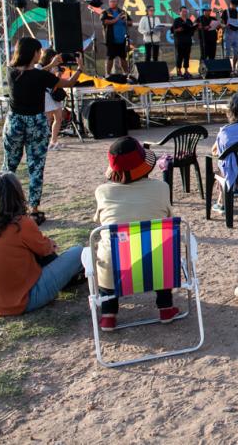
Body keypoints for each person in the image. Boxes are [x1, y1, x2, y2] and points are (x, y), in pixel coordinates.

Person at [0, 172, 83, 316]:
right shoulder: (20, 224)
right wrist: (49, 243)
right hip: (19, 302)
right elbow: (46, 249)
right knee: (79, 252)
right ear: (17, 194)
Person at [92, 137, 178, 331]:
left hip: (116, 269)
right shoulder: (161, 188)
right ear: (144, 166)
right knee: (159, 247)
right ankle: (166, 307)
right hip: (157, 266)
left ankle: (108, 315)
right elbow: (169, 216)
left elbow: (99, 221)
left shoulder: (103, 192)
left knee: (108, 252)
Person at [3, 38, 82, 224]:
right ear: (35, 53)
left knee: (9, 166)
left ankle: (4, 205)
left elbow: (30, 75)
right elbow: (68, 83)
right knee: (36, 166)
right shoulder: (41, 77)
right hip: (36, 123)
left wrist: (50, 65)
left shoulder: (11, 71)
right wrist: (79, 68)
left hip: (14, 122)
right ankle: (34, 208)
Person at [36, 49, 66, 152]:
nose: (55, 59)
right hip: (45, 95)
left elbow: (55, 80)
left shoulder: (54, 66)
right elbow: (37, 74)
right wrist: (51, 66)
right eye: (54, 57)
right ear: (49, 57)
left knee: (59, 118)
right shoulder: (39, 66)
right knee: (48, 119)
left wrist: (59, 73)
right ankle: (44, 142)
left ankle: (54, 141)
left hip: (54, 94)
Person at [100, 0, 130, 76]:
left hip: (122, 39)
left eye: (113, 1)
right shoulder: (106, 12)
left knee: (123, 57)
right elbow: (105, 22)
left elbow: (130, 23)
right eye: (110, 1)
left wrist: (125, 21)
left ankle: (126, 74)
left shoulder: (123, 12)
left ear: (117, 2)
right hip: (111, 39)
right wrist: (116, 19)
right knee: (110, 57)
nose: (112, 3)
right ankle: (108, 74)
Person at [171, 6, 196, 78]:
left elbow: (192, 31)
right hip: (179, 41)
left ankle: (186, 70)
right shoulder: (177, 20)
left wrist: (193, 29)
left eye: (186, 11)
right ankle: (178, 70)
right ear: (179, 12)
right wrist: (178, 30)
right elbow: (173, 30)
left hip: (188, 40)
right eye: (183, 11)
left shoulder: (189, 20)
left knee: (187, 56)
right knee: (180, 56)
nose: (185, 13)